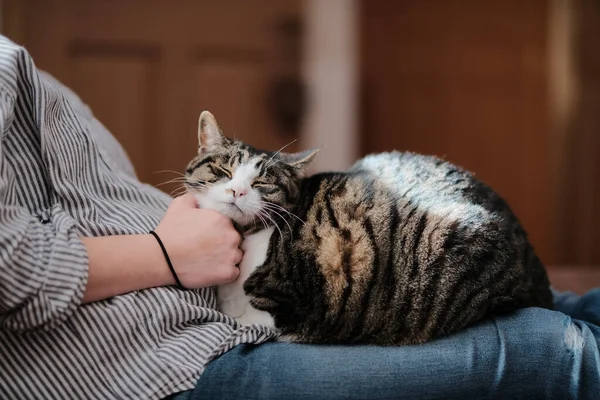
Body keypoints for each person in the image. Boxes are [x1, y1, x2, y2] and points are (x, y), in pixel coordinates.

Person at [0, 34, 598, 400]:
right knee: (548, 350)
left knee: (560, 305)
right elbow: (14, 268)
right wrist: (163, 255)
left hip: (202, 301)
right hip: (153, 366)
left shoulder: (21, 71)